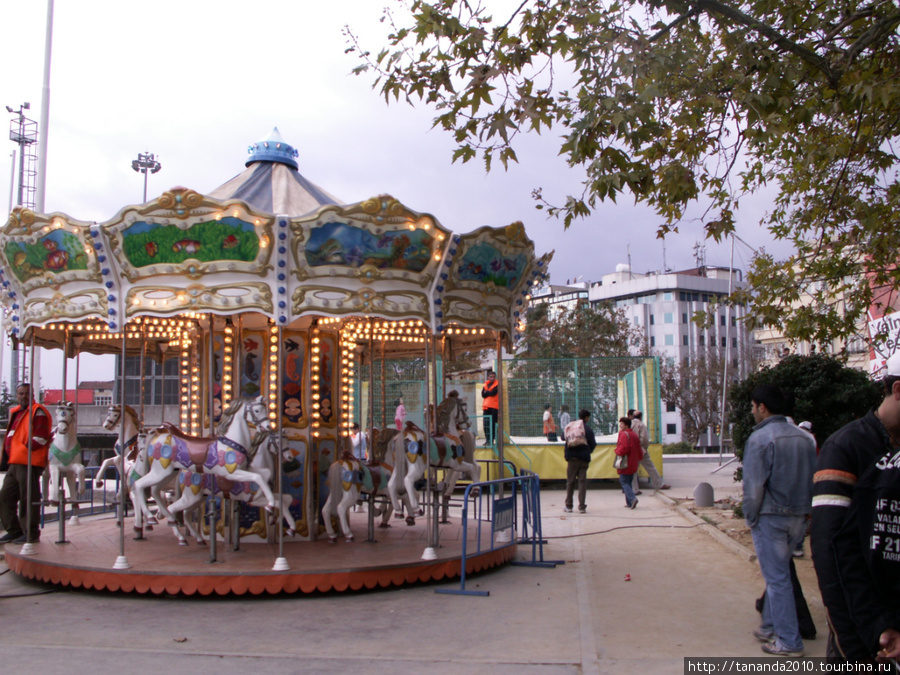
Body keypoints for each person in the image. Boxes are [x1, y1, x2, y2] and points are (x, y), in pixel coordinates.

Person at [810, 352, 900, 664]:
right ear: (898, 390)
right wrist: (855, 649)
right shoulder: (846, 448)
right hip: (863, 641)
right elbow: (829, 553)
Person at [743, 384, 817, 657]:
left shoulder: (760, 439)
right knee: (780, 575)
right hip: (798, 516)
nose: (752, 411)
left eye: (753, 406)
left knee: (777, 580)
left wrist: (750, 518)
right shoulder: (804, 438)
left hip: (771, 517)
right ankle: (770, 626)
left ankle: (788, 641)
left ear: (762, 407)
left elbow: (753, 488)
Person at [0, 383, 52, 544]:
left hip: (28, 461)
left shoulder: (38, 411)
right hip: (15, 462)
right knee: (5, 496)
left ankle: (31, 532)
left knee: (28, 498)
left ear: (33, 394)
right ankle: (14, 531)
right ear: (17, 395)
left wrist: (27, 447)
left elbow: (41, 436)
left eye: (27, 393)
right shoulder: (17, 412)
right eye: (21, 394)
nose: (23, 396)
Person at [629, 409, 670, 494]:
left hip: (632, 451)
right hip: (641, 450)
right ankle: (659, 484)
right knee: (650, 467)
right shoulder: (641, 425)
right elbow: (644, 438)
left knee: (633, 471)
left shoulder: (630, 424)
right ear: (641, 417)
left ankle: (634, 489)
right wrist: (644, 447)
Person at [563, 409, 596, 514]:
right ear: (586, 418)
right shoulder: (587, 429)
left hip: (572, 459)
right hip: (584, 460)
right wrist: (587, 451)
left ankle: (569, 506)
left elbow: (563, 437)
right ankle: (582, 507)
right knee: (582, 483)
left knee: (570, 482)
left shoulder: (571, 426)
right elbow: (593, 443)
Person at [614, 417, 643, 509]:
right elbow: (639, 448)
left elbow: (624, 448)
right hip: (633, 462)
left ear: (626, 425)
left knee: (624, 482)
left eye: (622, 424)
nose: (620, 425)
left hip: (625, 462)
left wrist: (617, 451)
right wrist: (639, 458)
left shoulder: (623, 434)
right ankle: (629, 502)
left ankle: (632, 498)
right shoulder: (634, 435)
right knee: (629, 482)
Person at [481, 370, 499, 445]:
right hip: (486, 407)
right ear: (488, 377)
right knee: (486, 424)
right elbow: (483, 394)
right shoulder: (485, 384)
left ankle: (492, 439)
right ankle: (487, 440)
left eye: (493, 377)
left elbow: (493, 393)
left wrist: (487, 392)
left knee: (492, 424)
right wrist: (487, 393)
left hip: (494, 407)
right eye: (491, 377)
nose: (492, 378)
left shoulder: (497, 385)